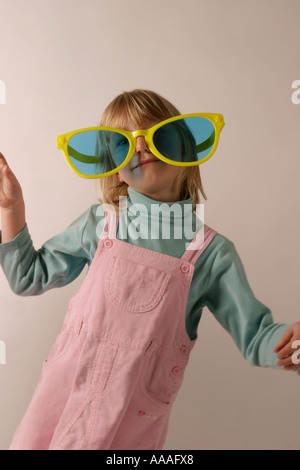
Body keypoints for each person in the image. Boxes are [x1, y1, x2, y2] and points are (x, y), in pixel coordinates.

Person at [0, 89, 299, 451]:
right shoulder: (101, 223)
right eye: (123, 143)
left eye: (158, 136)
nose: (141, 147)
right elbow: (29, 277)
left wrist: (291, 347)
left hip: (131, 424)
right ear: (115, 169)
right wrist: (11, 210)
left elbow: (256, 337)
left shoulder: (211, 254)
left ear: (186, 149)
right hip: (62, 401)